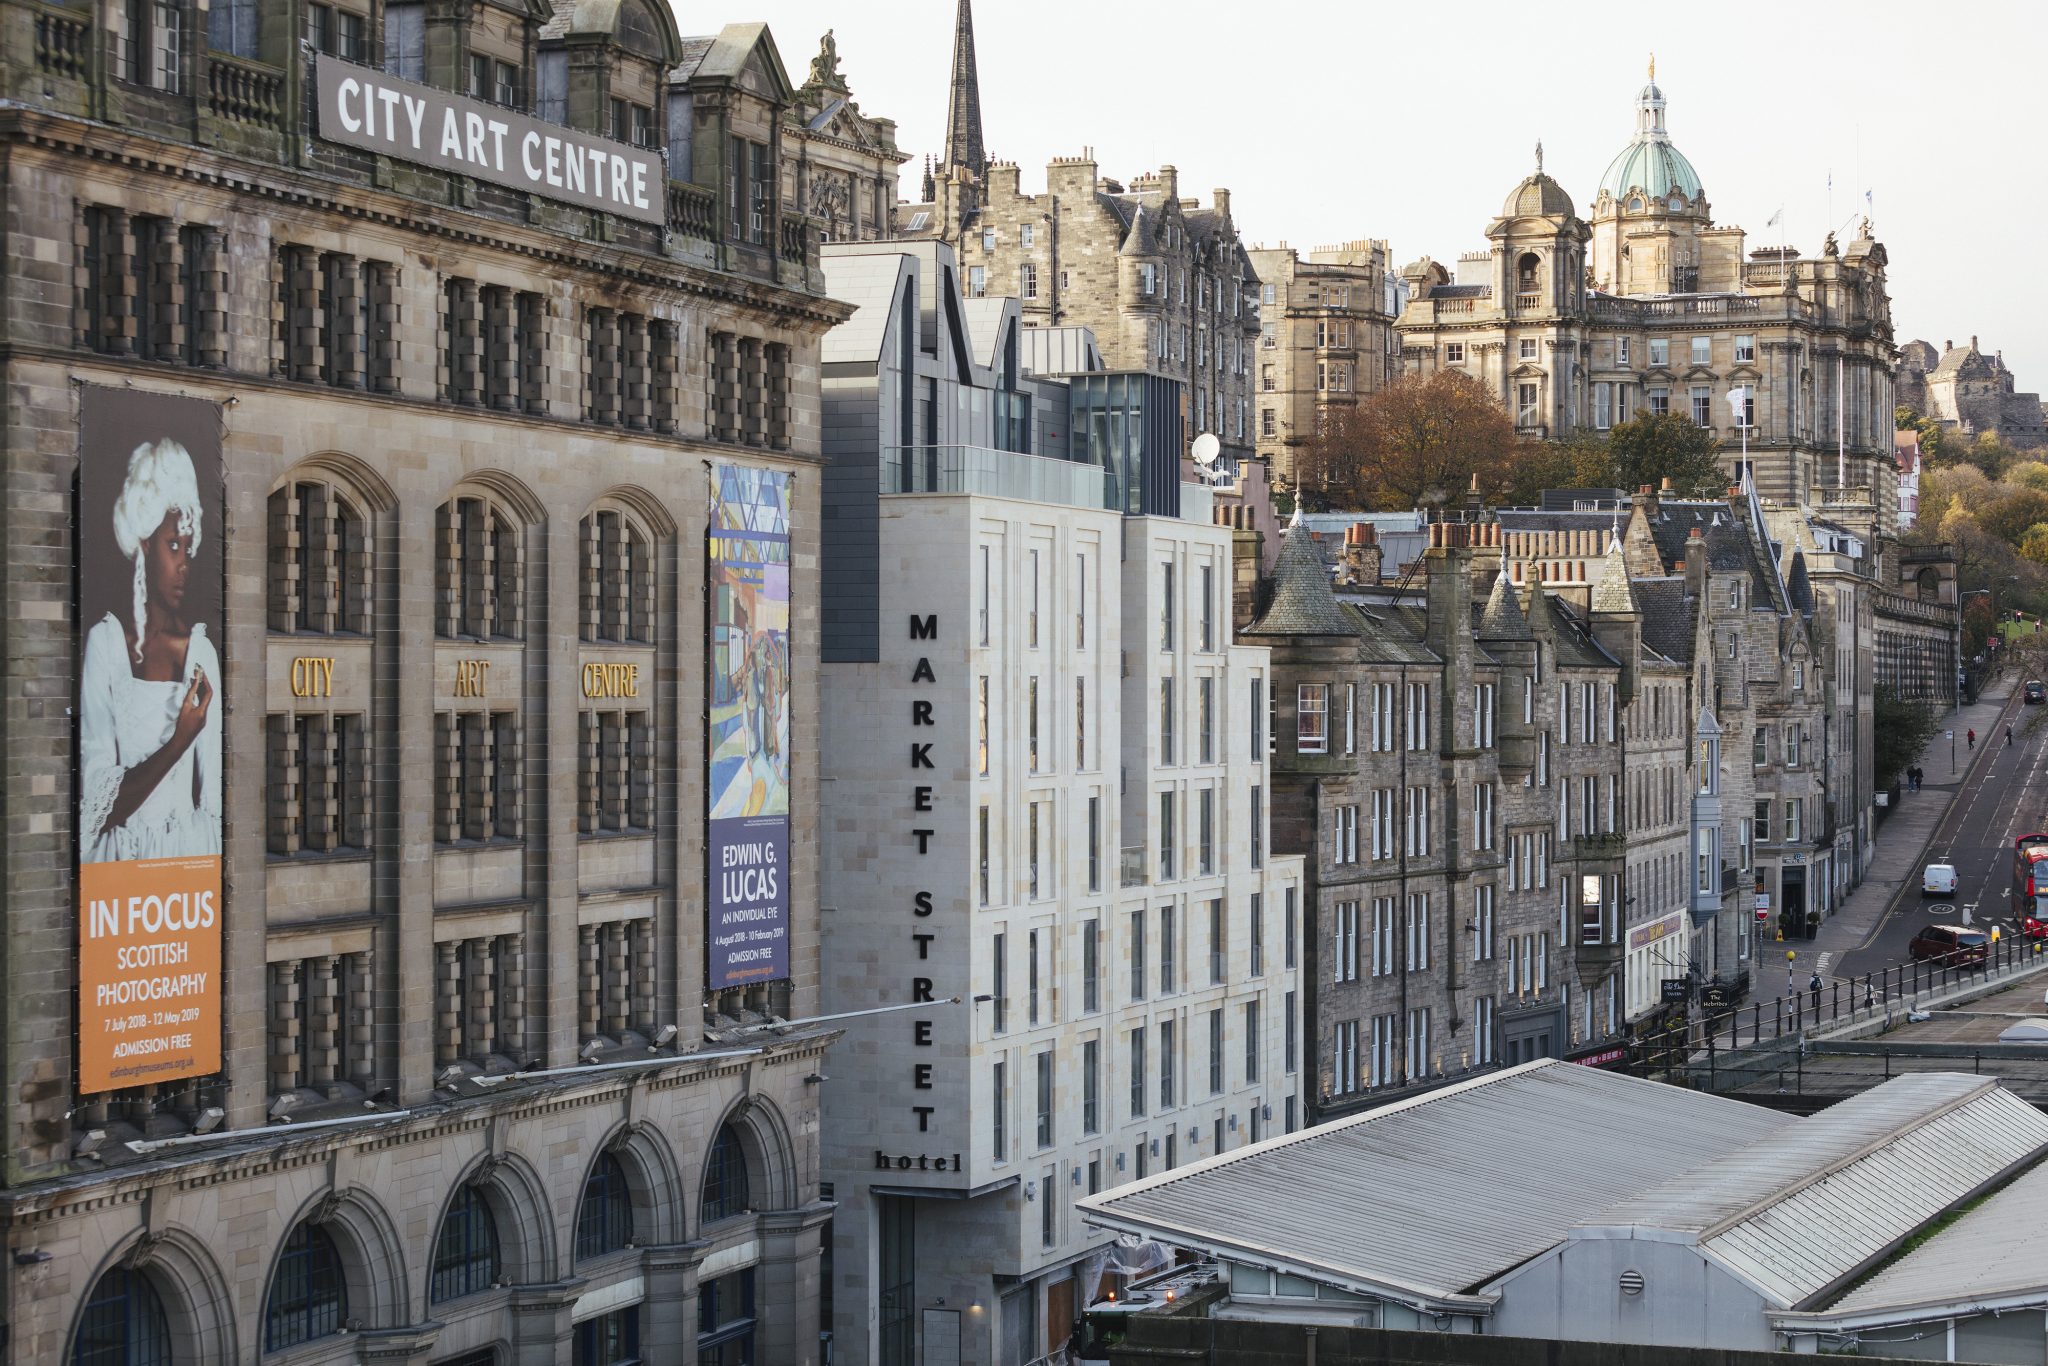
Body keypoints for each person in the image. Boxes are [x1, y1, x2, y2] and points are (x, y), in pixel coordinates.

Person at [79, 437, 220, 862]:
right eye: (172, 545)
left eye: (188, 548)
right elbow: (95, 808)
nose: (184, 564)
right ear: (143, 543)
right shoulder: (104, 644)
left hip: (183, 860)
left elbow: (212, 800)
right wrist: (180, 740)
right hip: (115, 863)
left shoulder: (201, 652)